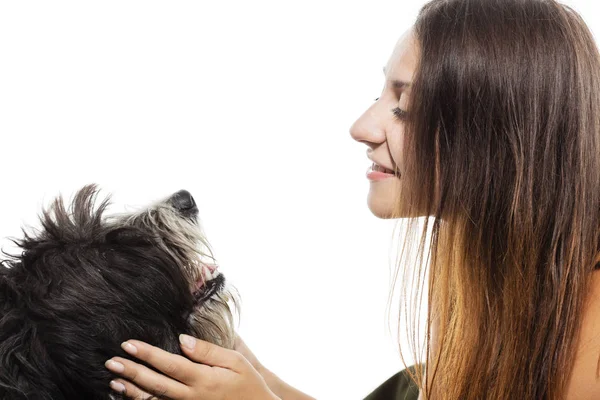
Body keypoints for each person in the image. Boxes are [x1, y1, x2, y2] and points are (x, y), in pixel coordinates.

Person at [104, 0, 600, 398]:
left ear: (498, 132)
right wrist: (248, 370)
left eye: (404, 108)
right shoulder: (501, 298)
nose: (362, 127)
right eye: (381, 94)